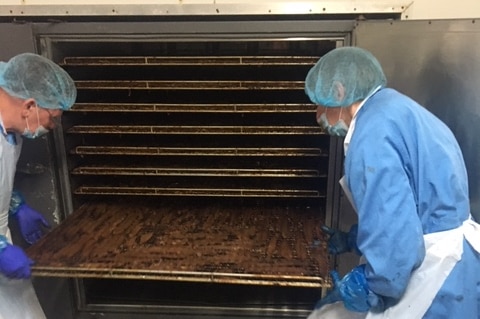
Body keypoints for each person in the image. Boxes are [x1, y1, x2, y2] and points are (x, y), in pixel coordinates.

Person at [304, 46, 480, 319]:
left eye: (319, 103)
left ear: (339, 92)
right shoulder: (396, 110)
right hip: (458, 264)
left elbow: (397, 245)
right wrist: (355, 239)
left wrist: (370, 286)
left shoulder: (371, 136)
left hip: (433, 278)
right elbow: (410, 209)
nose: (318, 115)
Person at [0, 53, 76, 319]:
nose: (53, 126)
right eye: (52, 118)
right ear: (30, 106)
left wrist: (15, 206)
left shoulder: (11, 129)